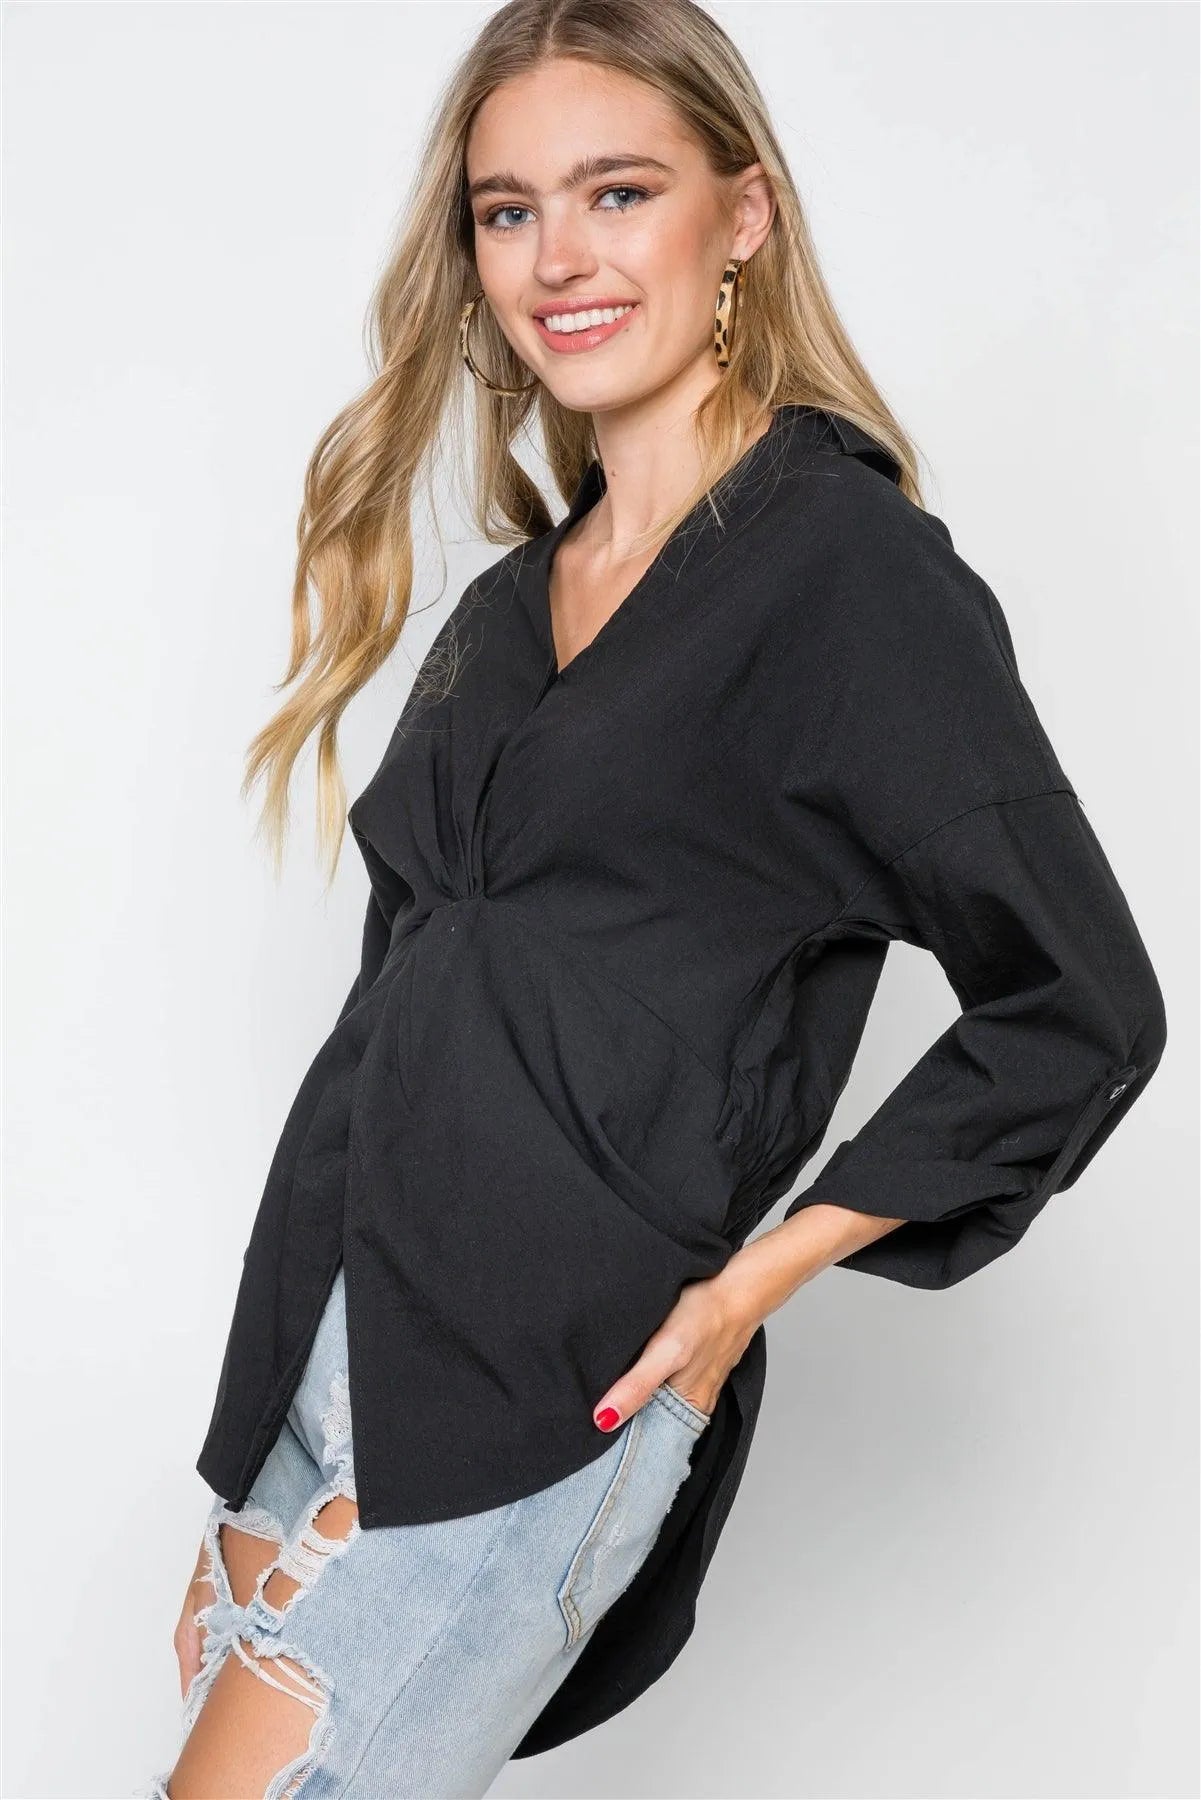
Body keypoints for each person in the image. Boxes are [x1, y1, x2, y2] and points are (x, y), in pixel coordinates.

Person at [145, 1, 1168, 1795]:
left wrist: (750, 1284)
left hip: (545, 1383)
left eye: (617, 192)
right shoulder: (505, 608)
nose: (558, 258)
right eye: (508, 210)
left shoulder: (847, 575)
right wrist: (262, 1447)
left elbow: (1078, 1003)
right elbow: (401, 997)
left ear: (740, 216)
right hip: (330, 1357)